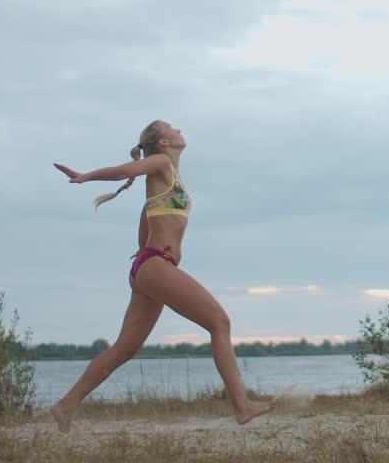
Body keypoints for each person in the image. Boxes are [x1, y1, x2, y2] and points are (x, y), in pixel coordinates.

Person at [49, 120, 275, 431]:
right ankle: (242, 405)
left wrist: (142, 253)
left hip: (149, 266)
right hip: (156, 266)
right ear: (164, 142)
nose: (178, 128)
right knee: (219, 322)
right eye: (170, 126)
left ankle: (65, 406)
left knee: (124, 349)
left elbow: (148, 214)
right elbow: (125, 170)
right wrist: (87, 176)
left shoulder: (168, 175)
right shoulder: (162, 162)